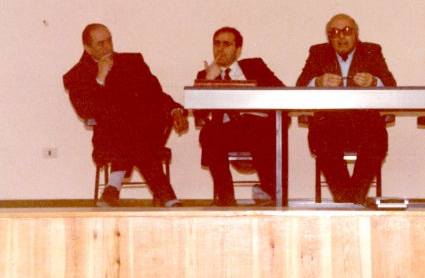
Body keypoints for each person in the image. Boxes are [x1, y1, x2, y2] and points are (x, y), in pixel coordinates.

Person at [63, 23, 189, 207]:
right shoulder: (76, 75)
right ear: (87, 48)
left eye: (110, 40)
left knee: (133, 127)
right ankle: (167, 196)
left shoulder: (133, 62)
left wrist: (175, 110)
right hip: (111, 139)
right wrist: (100, 78)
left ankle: (113, 184)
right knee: (131, 132)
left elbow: (156, 95)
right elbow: (86, 111)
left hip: (143, 134)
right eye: (100, 44)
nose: (108, 47)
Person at [296, 13, 396, 204]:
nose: (341, 37)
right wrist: (317, 82)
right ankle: (353, 202)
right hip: (329, 125)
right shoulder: (318, 53)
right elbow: (300, 86)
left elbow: (391, 85)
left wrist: (375, 81)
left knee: (376, 141)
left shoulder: (371, 51)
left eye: (347, 31)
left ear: (356, 34)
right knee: (322, 140)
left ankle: (348, 202)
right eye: (334, 32)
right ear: (328, 37)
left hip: (364, 125)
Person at [194, 27, 285, 206]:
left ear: (238, 50)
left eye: (227, 44)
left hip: (259, 126)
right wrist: (209, 80)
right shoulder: (204, 76)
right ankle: (226, 198)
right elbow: (200, 114)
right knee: (208, 133)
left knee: (257, 126)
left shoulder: (255, 66)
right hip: (229, 131)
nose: (220, 49)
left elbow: (281, 93)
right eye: (217, 44)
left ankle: (269, 190)